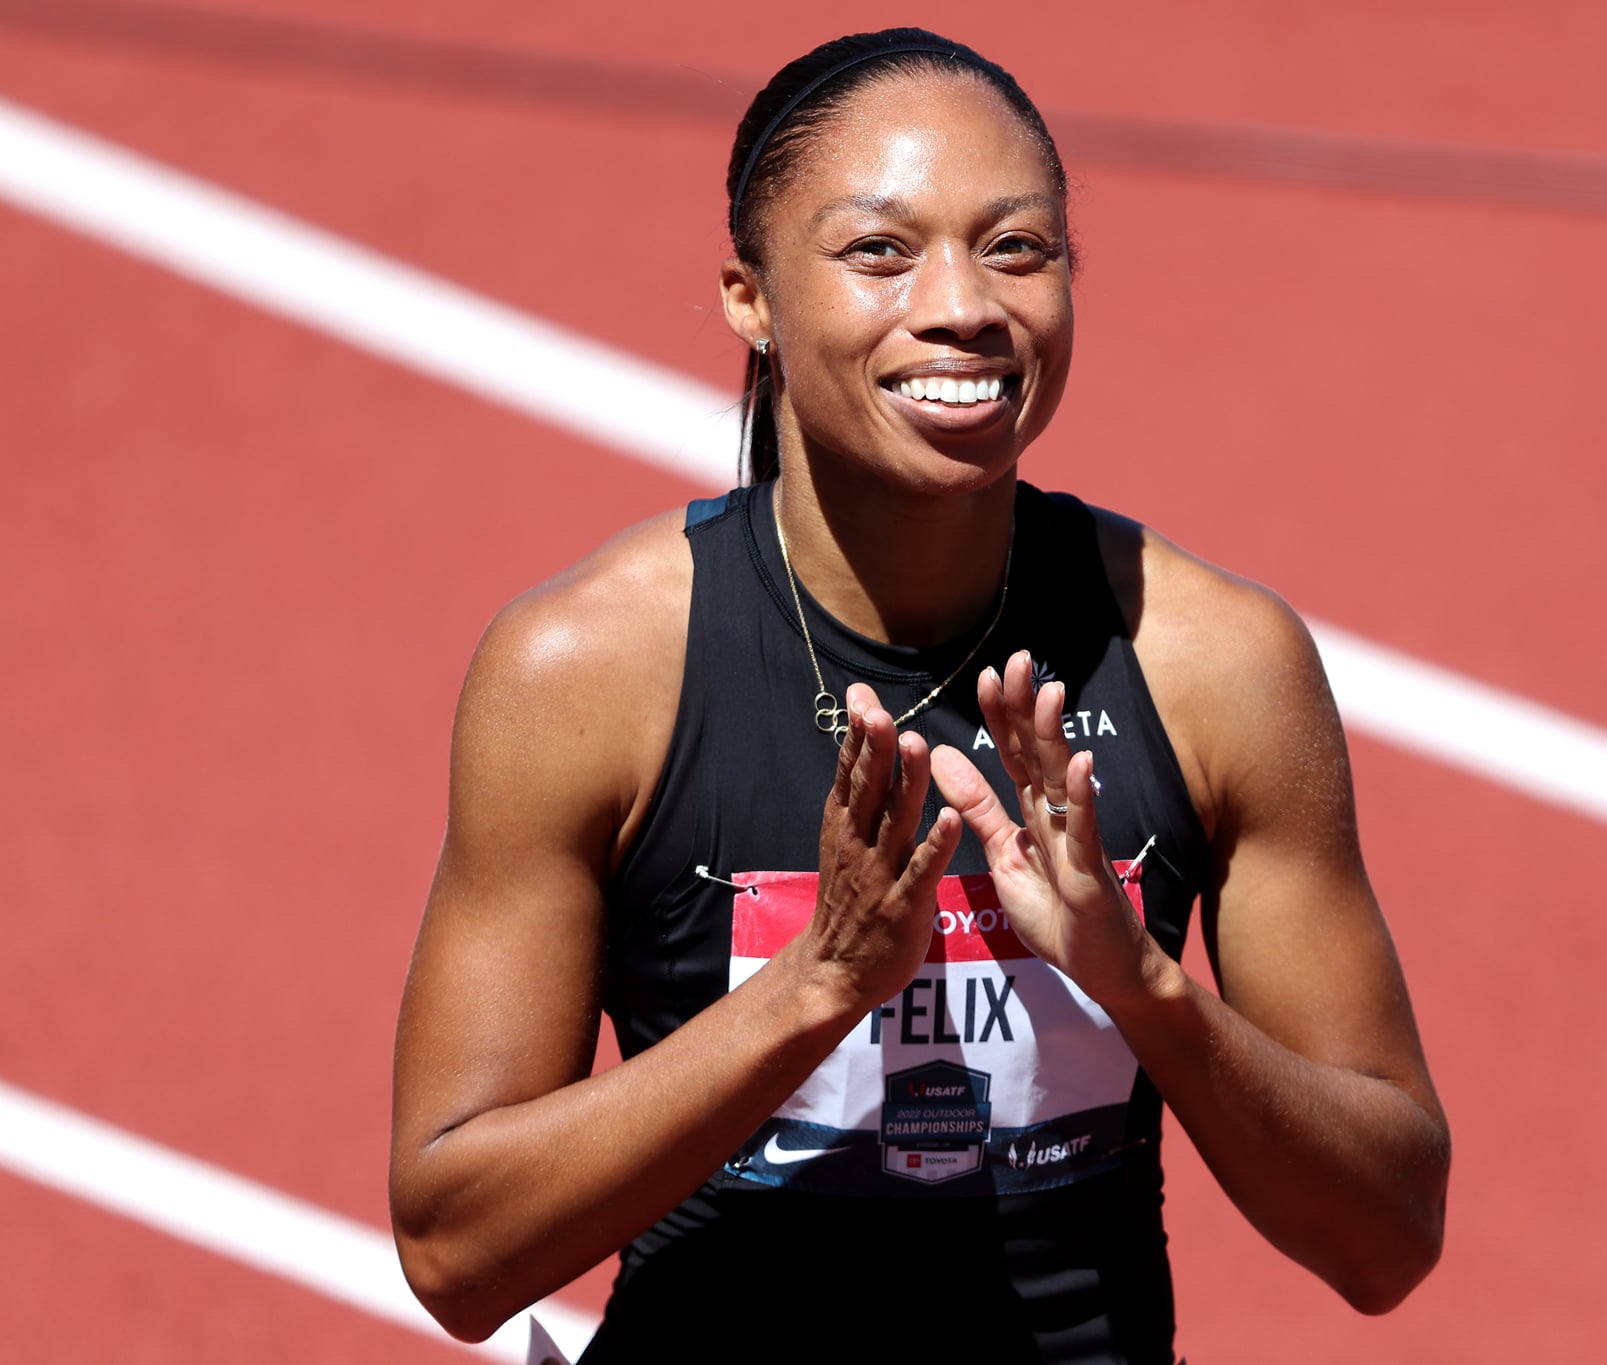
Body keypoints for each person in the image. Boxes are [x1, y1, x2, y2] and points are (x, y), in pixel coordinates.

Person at [389, 28, 1449, 1363]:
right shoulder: (589, 674)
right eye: (880, 251)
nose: (963, 305)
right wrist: (814, 984)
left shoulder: (1211, 665)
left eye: (1017, 248)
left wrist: (1146, 990)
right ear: (749, 297)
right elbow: (455, 1250)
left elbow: (1389, 1230)